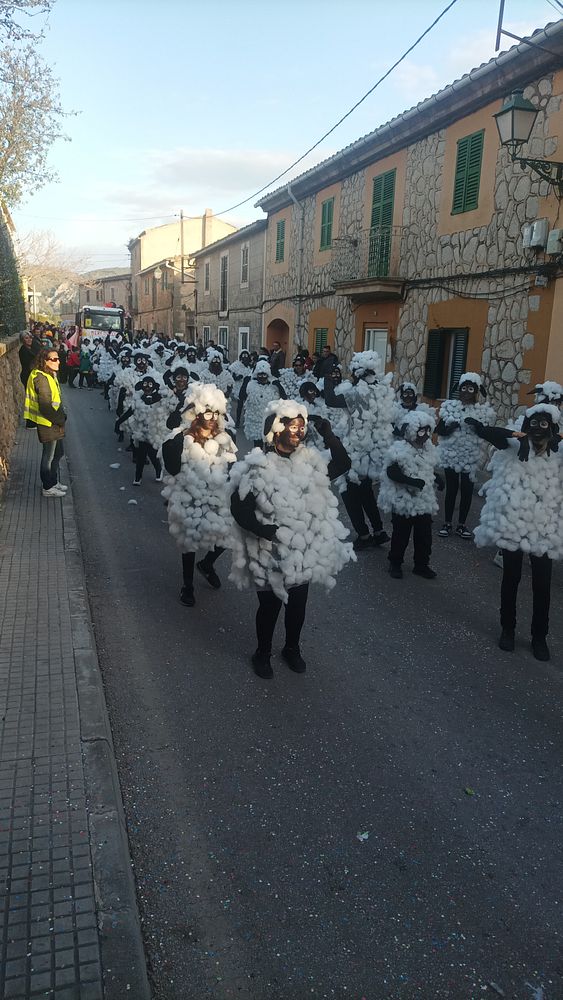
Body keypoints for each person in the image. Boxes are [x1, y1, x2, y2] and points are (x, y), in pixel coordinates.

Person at [230, 399, 354, 679]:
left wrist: (328, 434)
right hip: (270, 550)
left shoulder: (310, 462)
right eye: (293, 426)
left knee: (297, 604)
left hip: (300, 551)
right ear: (276, 429)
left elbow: (344, 463)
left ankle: (292, 648)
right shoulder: (258, 466)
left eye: (302, 426)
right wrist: (268, 532)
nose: (299, 431)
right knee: (270, 606)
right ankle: (262, 652)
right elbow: (239, 508)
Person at [467, 403, 562, 661]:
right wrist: (516, 438)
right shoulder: (515, 448)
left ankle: (539, 637)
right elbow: (487, 432)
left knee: (542, 587)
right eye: (534, 424)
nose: (538, 429)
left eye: (544, 424)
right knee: (511, 580)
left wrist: (558, 437)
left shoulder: (559, 453)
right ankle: (507, 629)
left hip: (544, 531)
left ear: (552, 428)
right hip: (514, 528)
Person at [161, 383, 238, 607]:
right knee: (190, 542)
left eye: (215, 413)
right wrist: (173, 442)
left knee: (229, 536)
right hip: (189, 498)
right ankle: (188, 585)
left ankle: (207, 564)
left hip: (217, 496)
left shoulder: (225, 437)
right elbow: (173, 468)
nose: (212, 417)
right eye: (207, 412)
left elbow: (232, 465)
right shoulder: (182, 438)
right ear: (196, 413)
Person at [324, 350, 392, 550]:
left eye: (353, 373)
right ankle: (379, 531)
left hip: (355, 451)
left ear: (358, 373)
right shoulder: (382, 392)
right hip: (373, 451)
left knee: (349, 494)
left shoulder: (358, 394)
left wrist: (328, 381)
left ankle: (363, 535)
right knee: (366, 492)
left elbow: (331, 400)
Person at [379, 409, 443, 579]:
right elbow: (392, 472)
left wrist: (437, 479)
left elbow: (428, 469)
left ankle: (421, 565)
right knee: (401, 535)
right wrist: (411, 481)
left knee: (424, 536)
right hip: (403, 500)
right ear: (411, 430)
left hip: (423, 500)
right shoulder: (399, 449)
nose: (425, 435)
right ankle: (395, 562)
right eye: (421, 430)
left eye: (428, 430)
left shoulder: (428, 449)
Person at [436, 373, 495, 539]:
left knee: (467, 491)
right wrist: (449, 429)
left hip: (471, 457)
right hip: (451, 456)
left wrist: (478, 426)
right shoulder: (449, 407)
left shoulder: (482, 412)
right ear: (459, 389)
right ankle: (447, 522)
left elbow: (486, 433)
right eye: (464, 388)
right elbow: (438, 430)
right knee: (452, 489)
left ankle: (461, 524)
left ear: (476, 391)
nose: (467, 392)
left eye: (471, 389)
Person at [24, 348, 68, 497]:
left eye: (58, 358)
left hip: (53, 421)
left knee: (58, 453)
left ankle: (53, 481)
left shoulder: (49, 374)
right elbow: (45, 405)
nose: (58, 361)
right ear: (45, 361)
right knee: (48, 456)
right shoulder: (41, 378)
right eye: (54, 359)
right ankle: (48, 487)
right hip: (48, 422)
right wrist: (60, 420)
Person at [236, 360, 286, 446]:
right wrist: (245, 383)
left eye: (264, 375)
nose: (262, 377)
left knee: (270, 447)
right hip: (255, 423)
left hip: (270, 422)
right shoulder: (251, 385)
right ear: (256, 374)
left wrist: (279, 386)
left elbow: (284, 399)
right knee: (258, 446)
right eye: (260, 375)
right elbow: (241, 396)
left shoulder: (273, 386)